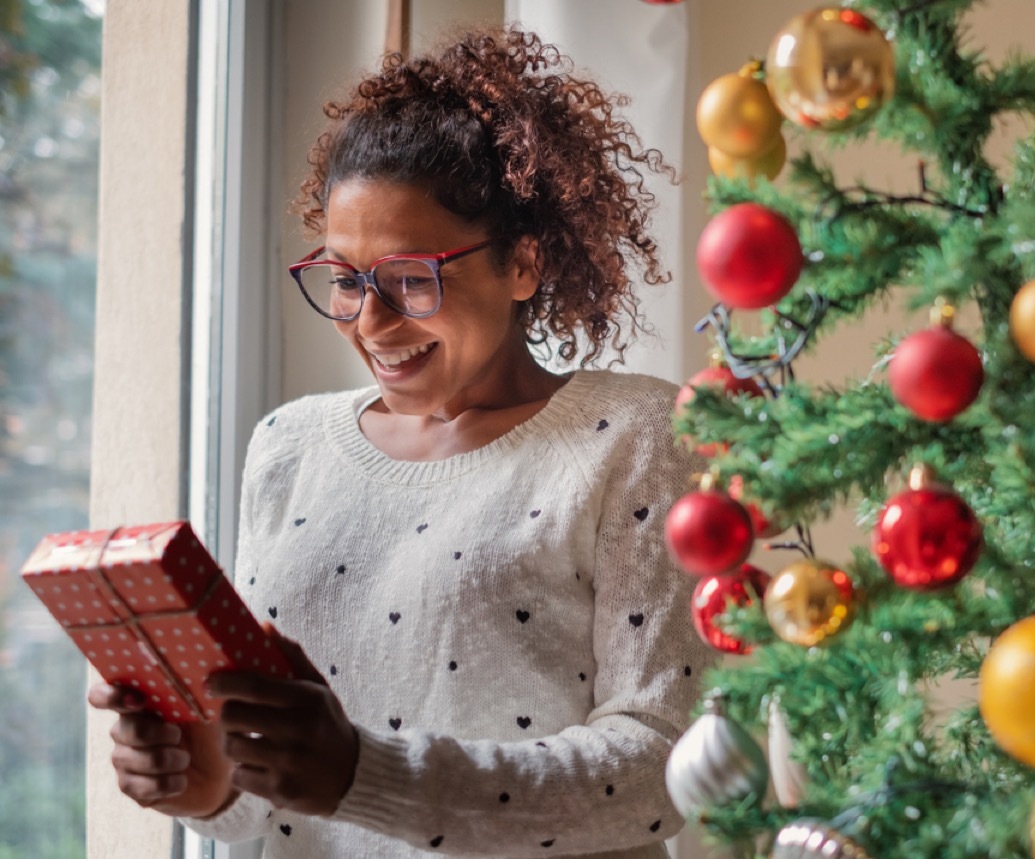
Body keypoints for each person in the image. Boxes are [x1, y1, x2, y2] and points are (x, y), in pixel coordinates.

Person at [88, 24, 715, 859]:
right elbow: (274, 807)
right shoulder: (287, 447)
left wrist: (362, 771)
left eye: (411, 278)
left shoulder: (636, 437)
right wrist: (207, 785)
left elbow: (657, 768)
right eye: (346, 279)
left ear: (523, 264)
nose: (370, 322)